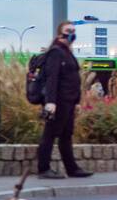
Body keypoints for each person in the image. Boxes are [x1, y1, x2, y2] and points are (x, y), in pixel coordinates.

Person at [35, 20, 92, 180]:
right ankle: (43, 169)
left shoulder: (68, 53)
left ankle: (72, 168)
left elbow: (74, 79)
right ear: (60, 33)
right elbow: (52, 78)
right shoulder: (56, 52)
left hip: (69, 102)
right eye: (69, 30)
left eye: (73, 30)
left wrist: (77, 101)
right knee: (50, 135)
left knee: (66, 135)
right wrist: (50, 102)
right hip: (58, 102)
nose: (72, 33)